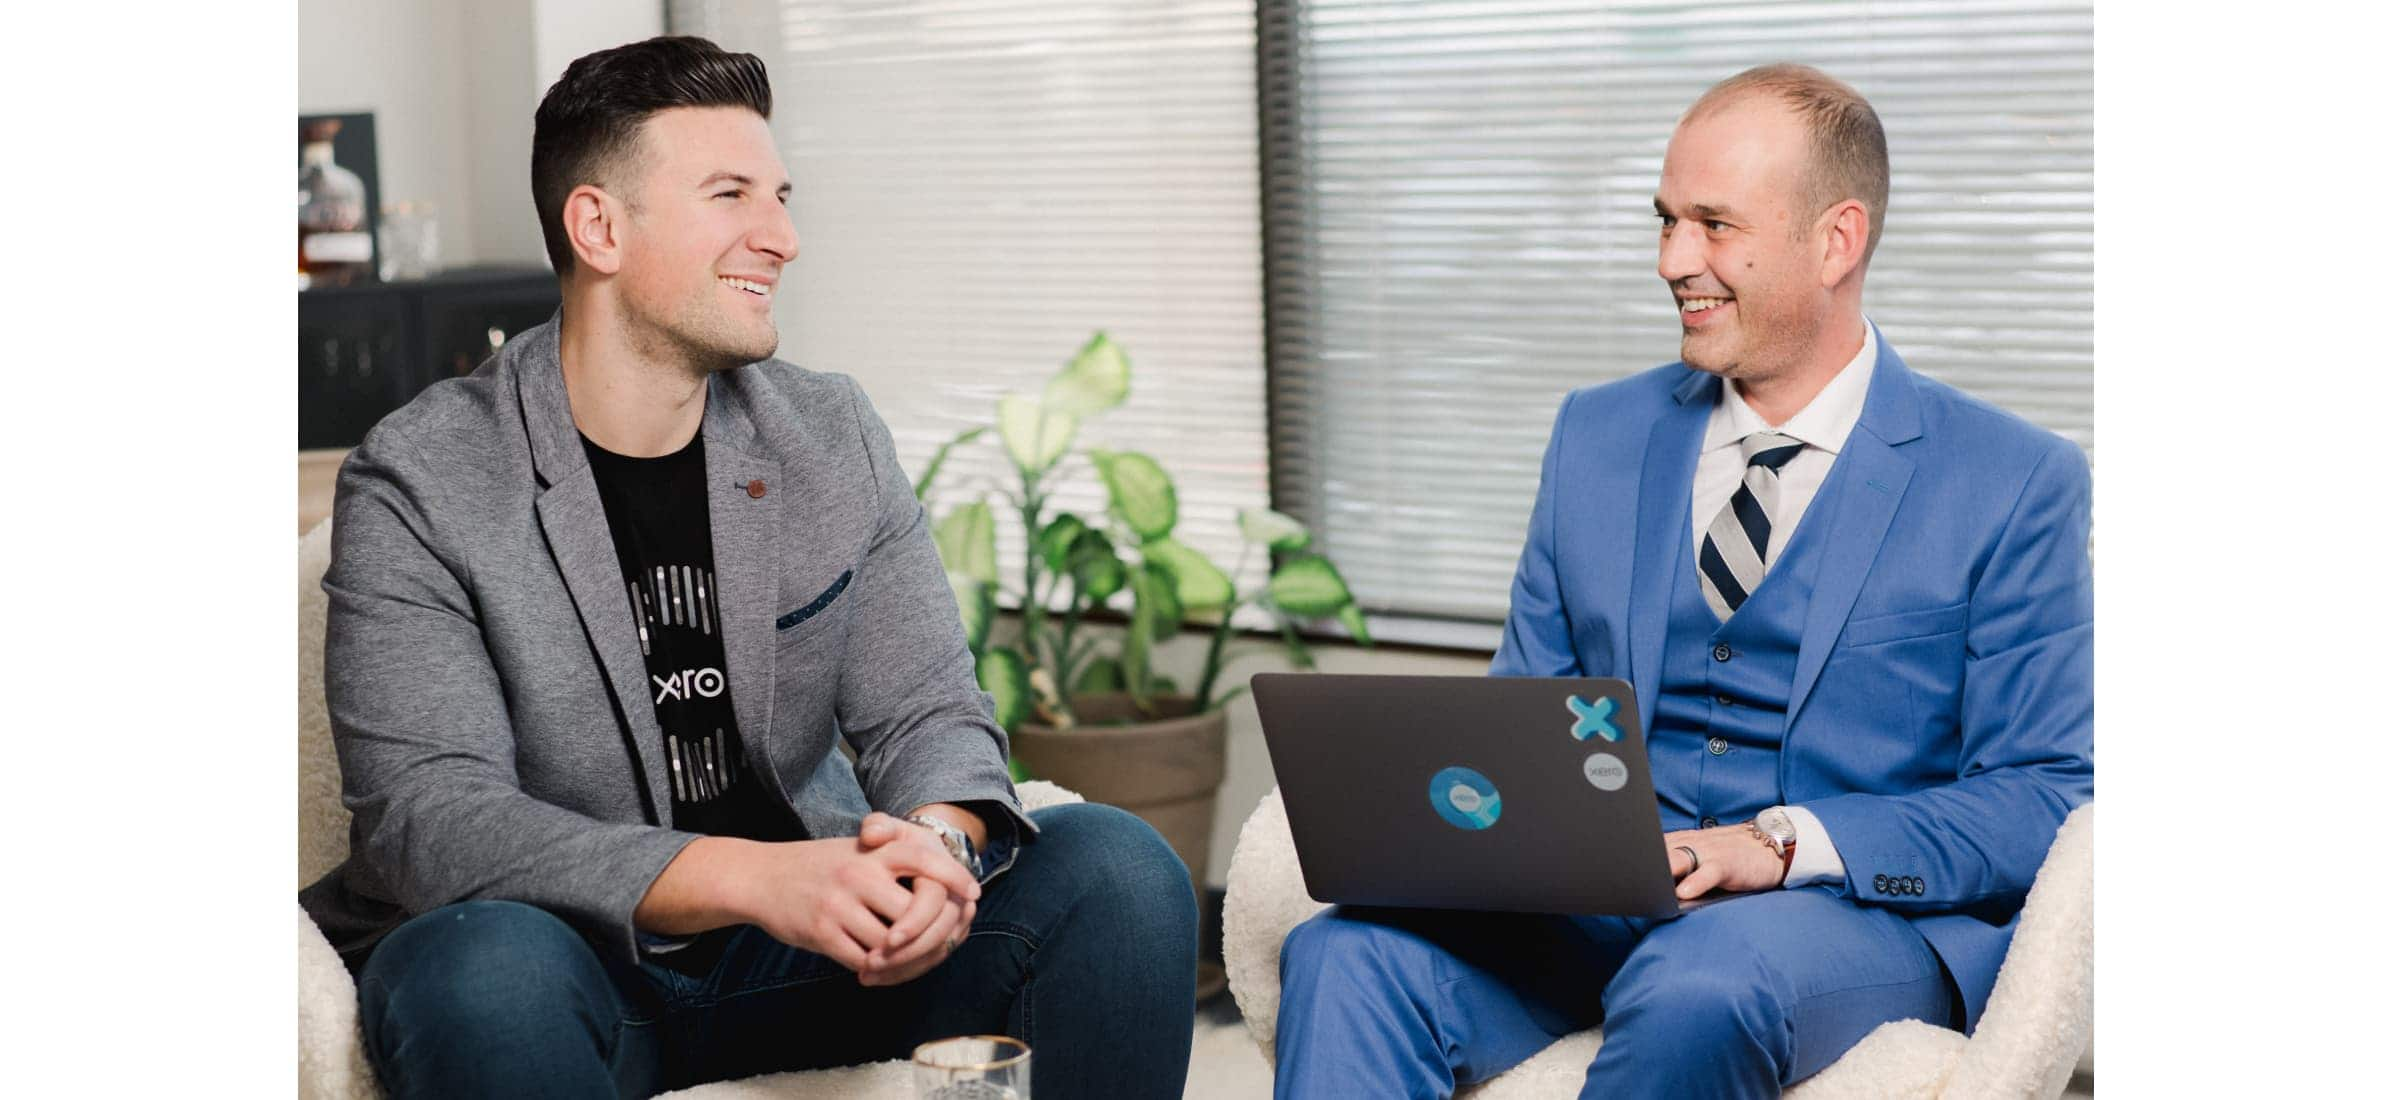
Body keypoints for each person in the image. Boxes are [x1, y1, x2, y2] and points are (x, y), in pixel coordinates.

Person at [300, 35, 1196, 1100]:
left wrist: (929, 852)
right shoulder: (423, 477)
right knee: (472, 970)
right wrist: (762, 878)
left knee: (1121, 871)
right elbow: (431, 819)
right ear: (599, 227)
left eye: (778, 196)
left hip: (809, 955)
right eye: (730, 195)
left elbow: (927, 713)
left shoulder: (827, 432)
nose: (782, 237)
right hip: (569, 958)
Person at [1271, 63, 2093, 1097]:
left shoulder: (2011, 478)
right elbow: (1522, 713)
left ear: (1835, 240)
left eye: (1713, 225)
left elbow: (2044, 791)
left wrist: (1781, 845)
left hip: (1843, 920)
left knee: (1698, 978)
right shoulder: (1594, 436)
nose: (1673, 260)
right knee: (1344, 952)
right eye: (1664, 221)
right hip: (1598, 901)